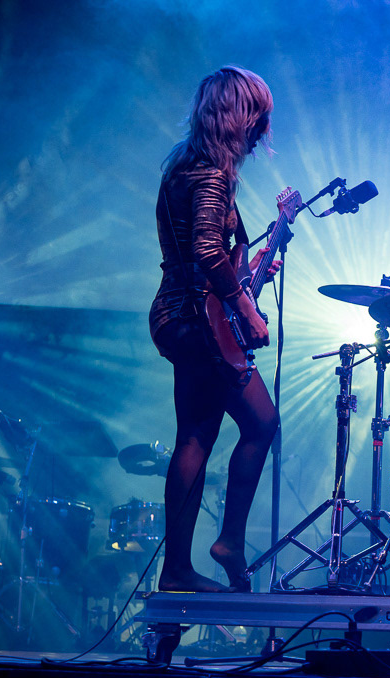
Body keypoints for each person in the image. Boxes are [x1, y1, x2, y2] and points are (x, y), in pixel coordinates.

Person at [148, 66, 284, 592]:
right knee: (261, 423)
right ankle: (225, 542)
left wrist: (248, 276)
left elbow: (212, 253)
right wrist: (247, 311)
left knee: (196, 434)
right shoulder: (210, 174)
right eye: (259, 118)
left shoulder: (184, 165)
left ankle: (178, 569)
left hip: (179, 315)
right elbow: (207, 250)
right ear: (239, 118)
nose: (262, 132)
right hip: (197, 320)